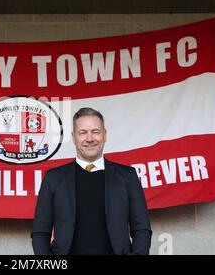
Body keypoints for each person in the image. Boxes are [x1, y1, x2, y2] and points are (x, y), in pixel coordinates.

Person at [31, 108, 152, 255]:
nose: (89, 138)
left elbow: (142, 228)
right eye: (83, 132)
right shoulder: (53, 178)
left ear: (104, 135)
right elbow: (40, 232)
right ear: (74, 137)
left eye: (95, 131)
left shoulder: (128, 176)